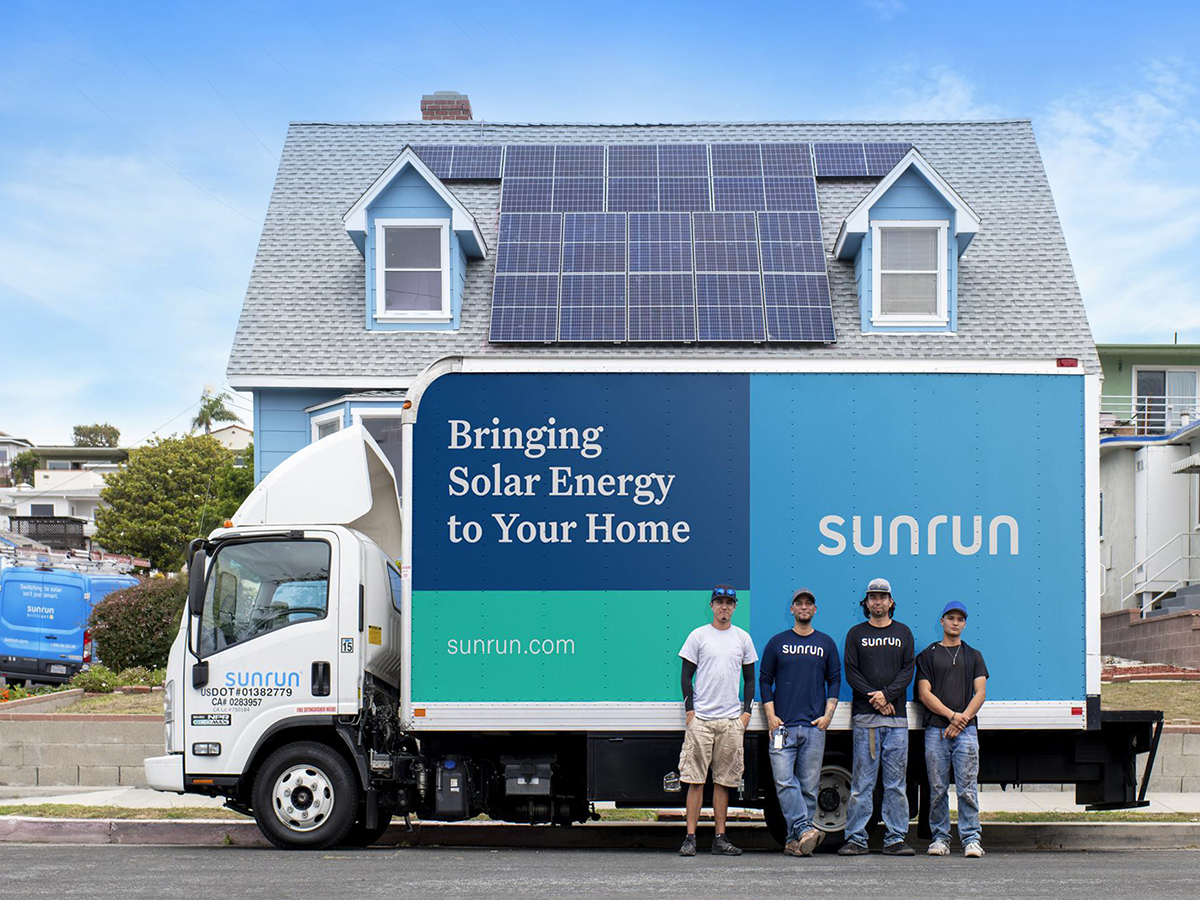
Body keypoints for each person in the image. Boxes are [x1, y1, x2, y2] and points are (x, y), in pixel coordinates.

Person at [676, 584, 758, 857]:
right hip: (701, 720)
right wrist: (690, 711)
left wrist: (746, 713)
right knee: (695, 780)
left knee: (724, 782)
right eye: (719, 602)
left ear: (735, 607)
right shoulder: (698, 636)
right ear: (711, 606)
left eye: (729, 603)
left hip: (730, 720)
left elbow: (749, 679)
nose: (724, 607)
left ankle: (720, 838)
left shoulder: (742, 639)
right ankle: (690, 838)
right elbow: (686, 676)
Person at [759, 588, 841, 857]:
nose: (804, 607)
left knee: (808, 786)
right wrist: (770, 716)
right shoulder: (777, 643)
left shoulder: (825, 643)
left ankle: (795, 842)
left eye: (809, 604)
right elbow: (765, 680)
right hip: (782, 727)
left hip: (814, 728)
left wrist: (828, 715)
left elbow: (834, 680)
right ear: (792, 610)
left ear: (814, 610)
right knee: (783, 781)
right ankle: (805, 828)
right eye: (799, 603)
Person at [837, 577, 916, 857]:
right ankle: (856, 838)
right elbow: (851, 672)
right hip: (866, 721)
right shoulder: (855, 634)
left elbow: (908, 670)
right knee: (862, 783)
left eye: (883, 597)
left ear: (891, 602)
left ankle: (895, 838)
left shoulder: (903, 633)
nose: (878, 601)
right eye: (872, 597)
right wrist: (876, 696)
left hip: (895, 722)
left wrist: (888, 695)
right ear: (866, 603)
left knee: (895, 783)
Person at [916, 600, 989, 859]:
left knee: (967, 788)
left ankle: (971, 839)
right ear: (942, 621)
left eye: (960, 619)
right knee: (937, 788)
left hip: (966, 732)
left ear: (965, 624)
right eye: (950, 618)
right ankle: (940, 839)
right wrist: (952, 717)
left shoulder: (974, 656)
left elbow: (980, 692)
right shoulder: (928, 655)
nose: (955, 622)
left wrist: (963, 719)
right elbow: (925, 694)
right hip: (936, 730)